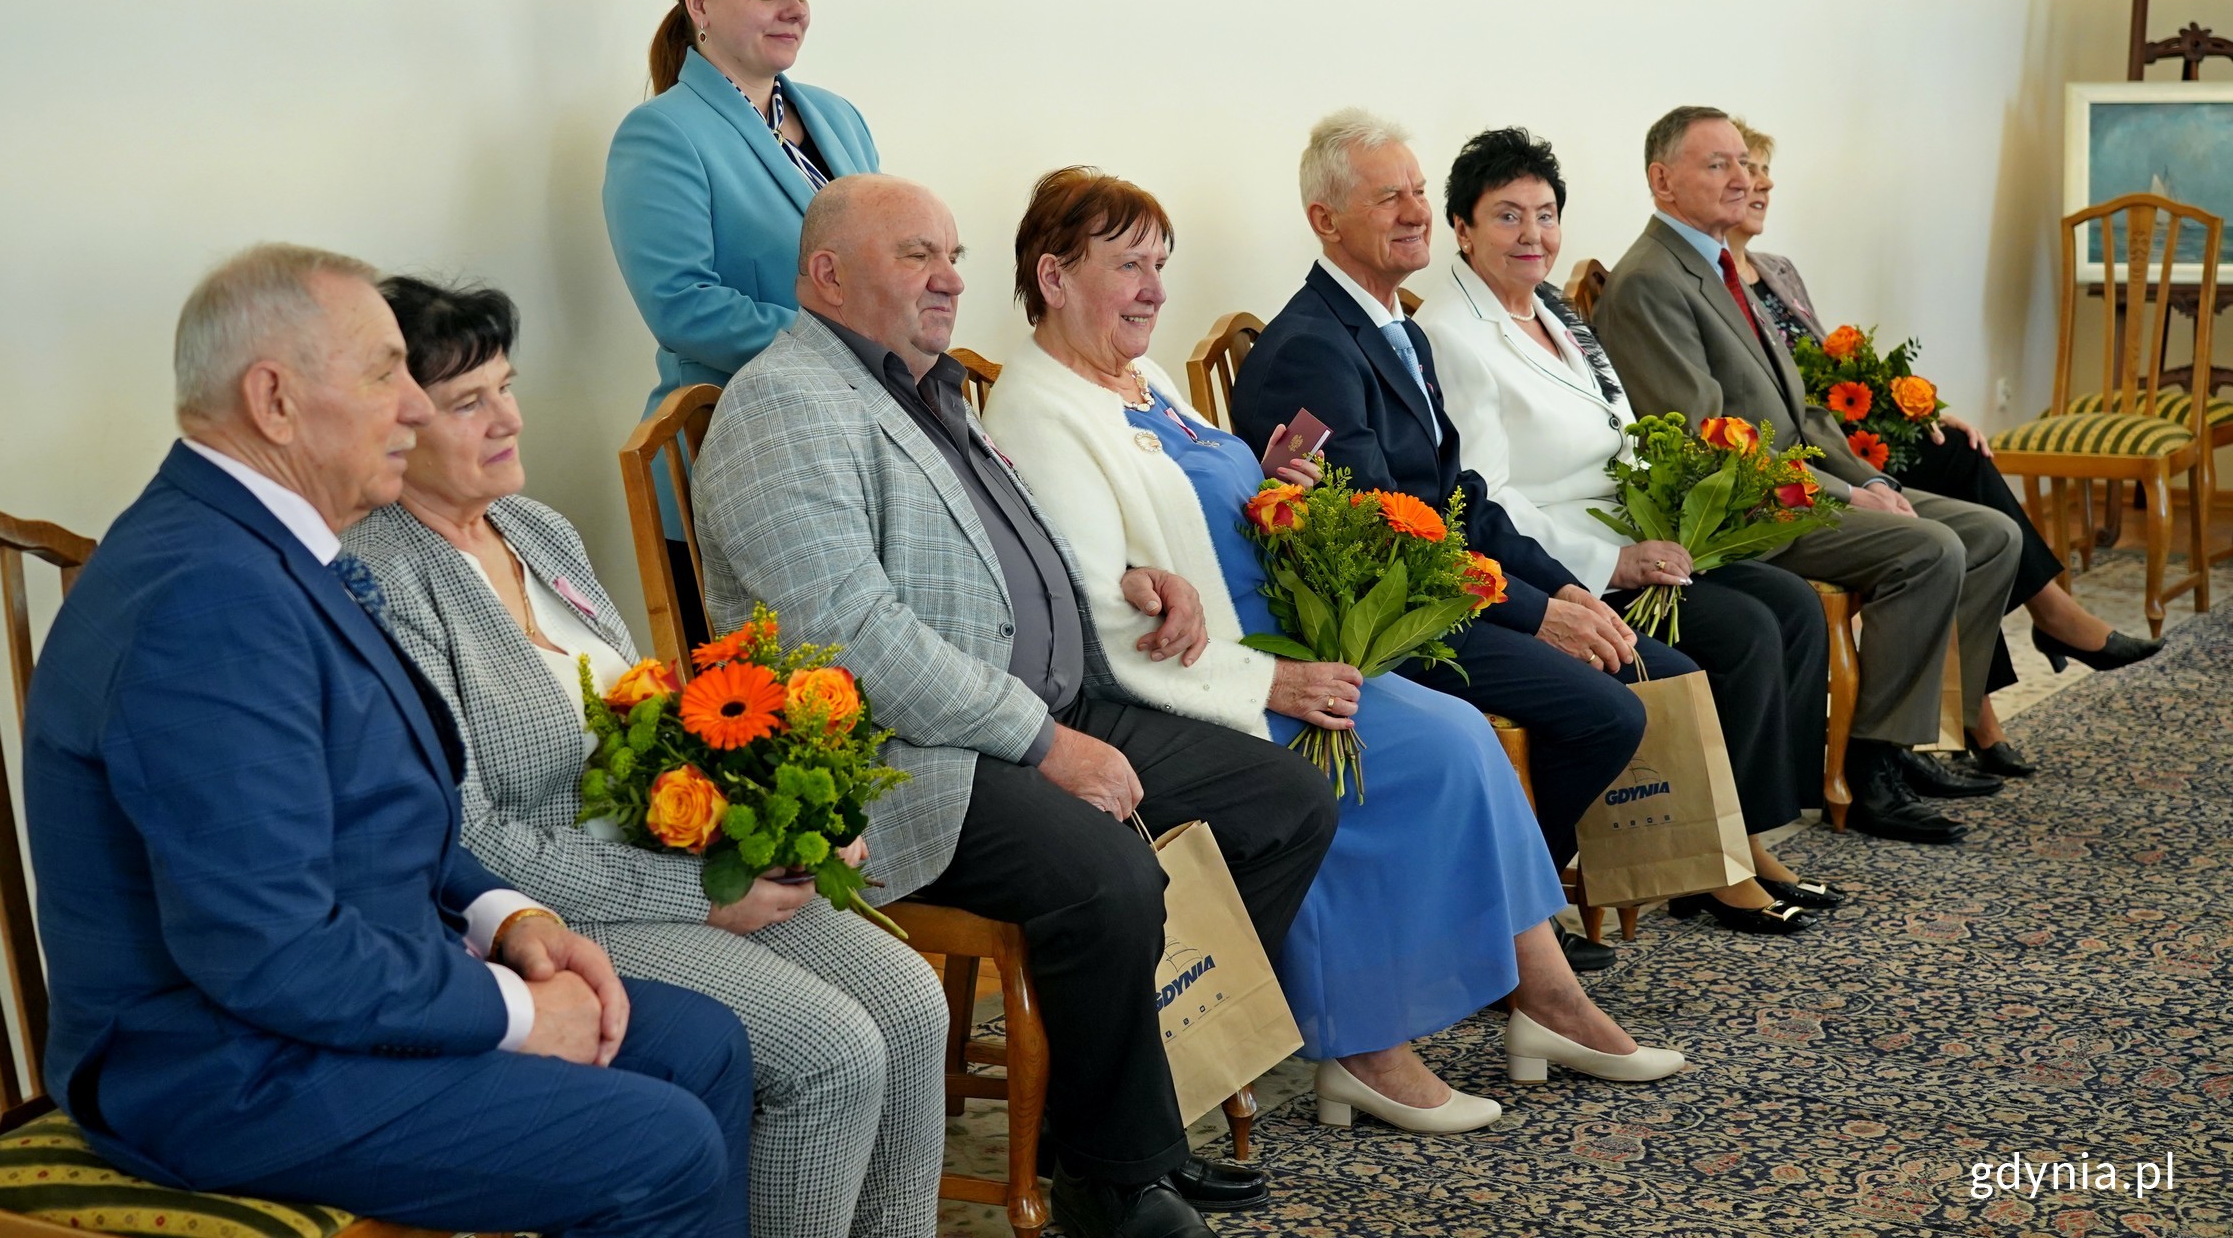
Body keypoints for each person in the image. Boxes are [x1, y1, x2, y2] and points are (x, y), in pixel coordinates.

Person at [22, 244, 751, 1238]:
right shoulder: (205, 597)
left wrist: (504, 915)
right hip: (229, 1065)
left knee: (703, 1043)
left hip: (337, 998)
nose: (414, 404)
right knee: (660, 1146)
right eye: (383, 373)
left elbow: (380, 803)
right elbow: (270, 954)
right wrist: (519, 1013)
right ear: (274, 401)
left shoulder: (270, 548)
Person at [693, 176, 1339, 1238]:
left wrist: (1141, 578)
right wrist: (1044, 742)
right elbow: (851, 638)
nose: (950, 275)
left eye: (951, 252)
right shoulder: (785, 403)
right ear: (828, 276)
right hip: (915, 755)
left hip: (1048, 703)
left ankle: (1131, 1119)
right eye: (916, 256)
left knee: (1286, 802)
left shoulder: (929, 385)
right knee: (1108, 875)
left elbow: (1018, 549)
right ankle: (1114, 1182)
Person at [982, 167, 1684, 1138]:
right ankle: (1366, 1045)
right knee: (1397, 758)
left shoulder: (1132, 378)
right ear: (1053, 277)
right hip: (1207, 676)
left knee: (1461, 737)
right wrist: (1273, 678)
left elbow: (1186, 501)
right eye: (1127, 264)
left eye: (1160, 264)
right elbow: (1107, 617)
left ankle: (1545, 995)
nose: (1152, 286)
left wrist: (1261, 482)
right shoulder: (1039, 408)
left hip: (1273, 629)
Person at [341, 275, 947, 1238]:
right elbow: (470, 834)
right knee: (833, 1051)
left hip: (666, 857)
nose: (508, 418)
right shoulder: (380, 579)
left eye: (506, 386)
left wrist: (791, 822)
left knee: (912, 1008)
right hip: (561, 907)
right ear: (395, 422)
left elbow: (659, 715)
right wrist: (703, 896)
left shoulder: (537, 530)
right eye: (470, 403)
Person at [1228, 108, 1696, 967]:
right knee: (1605, 709)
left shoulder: (1392, 326)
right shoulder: (1310, 349)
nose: (1413, 211)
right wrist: (1532, 614)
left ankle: (1515, 900)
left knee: (1652, 668)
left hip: (1442, 585)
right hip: (1387, 621)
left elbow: (1461, 500)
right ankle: (1495, 915)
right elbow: (1380, 532)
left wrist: (1562, 590)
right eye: (1386, 198)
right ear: (1324, 221)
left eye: (1416, 191)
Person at [1416, 129, 1839, 934]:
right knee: (1744, 627)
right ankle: (1712, 868)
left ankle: (1744, 838)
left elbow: (1625, 430)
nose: (1532, 235)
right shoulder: (1454, 335)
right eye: (1507, 217)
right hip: (1565, 566)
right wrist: (1614, 561)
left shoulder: (1555, 312)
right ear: (1462, 230)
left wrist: (1684, 514)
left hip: (1634, 537)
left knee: (1787, 604)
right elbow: (1486, 497)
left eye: (1545, 214)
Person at [1591, 107, 2022, 847]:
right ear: (1663, 182)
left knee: (1991, 535)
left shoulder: (1725, 264)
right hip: (1747, 505)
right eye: (1718, 164)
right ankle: (1869, 765)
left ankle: (1911, 734)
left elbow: (1804, 414)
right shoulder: (1650, 282)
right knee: (1930, 550)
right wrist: (1846, 496)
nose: (1743, 178)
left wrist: (1866, 482)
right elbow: (1710, 443)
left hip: (1807, 482)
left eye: (1745, 163)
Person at [1728, 117, 2159, 773]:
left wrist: (1925, 408)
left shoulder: (1776, 269)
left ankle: (1993, 688)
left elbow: (1838, 370)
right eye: (1747, 171)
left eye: (1762, 170)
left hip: (1841, 432)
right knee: (1961, 481)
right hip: (1804, 459)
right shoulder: (1705, 285)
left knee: (1959, 452)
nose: (1762, 183)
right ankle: (2030, 641)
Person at [605, 0, 879, 646]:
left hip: (854, 449)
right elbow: (682, 306)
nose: (795, 10)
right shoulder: (661, 133)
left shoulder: (840, 118)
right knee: (773, 721)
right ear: (700, 1)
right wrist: (847, 351)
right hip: (733, 452)